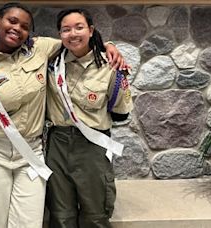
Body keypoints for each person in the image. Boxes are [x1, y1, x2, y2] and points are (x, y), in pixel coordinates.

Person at [0, 3, 127, 228]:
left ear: (30, 33)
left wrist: (108, 45)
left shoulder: (41, 50)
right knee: (2, 221)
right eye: (11, 21)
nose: (17, 28)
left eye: (25, 26)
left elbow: (77, 41)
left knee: (33, 222)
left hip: (34, 153)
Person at [45, 8, 134, 228]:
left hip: (92, 146)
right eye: (66, 29)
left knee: (95, 213)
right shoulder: (51, 63)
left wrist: (109, 45)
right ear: (59, 34)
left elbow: (122, 113)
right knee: (60, 214)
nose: (72, 34)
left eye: (79, 27)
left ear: (91, 30)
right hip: (57, 144)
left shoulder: (111, 66)